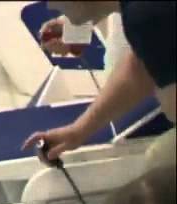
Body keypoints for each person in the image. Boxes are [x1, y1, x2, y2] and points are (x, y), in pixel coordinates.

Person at [22, 1, 175, 168]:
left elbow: (143, 65)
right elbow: (140, 64)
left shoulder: (147, 15)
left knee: (161, 162)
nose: (51, 6)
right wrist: (78, 131)